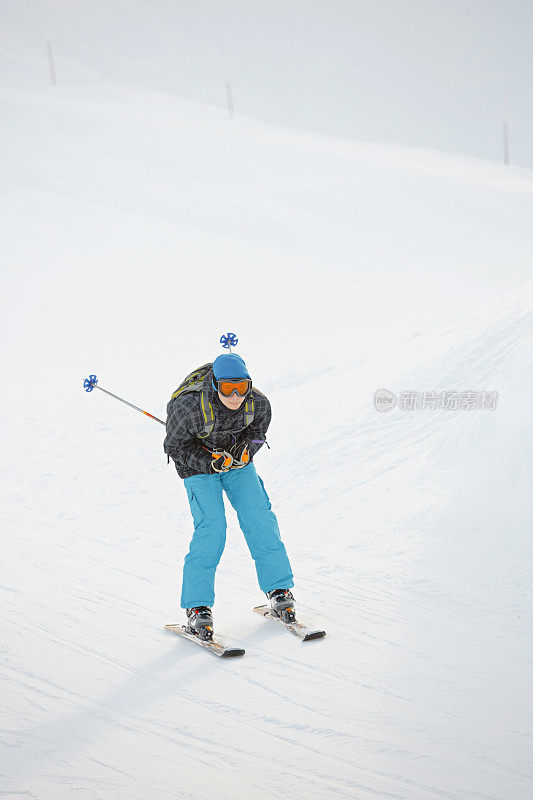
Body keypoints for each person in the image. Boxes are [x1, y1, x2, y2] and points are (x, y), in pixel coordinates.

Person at [164, 353, 295, 640]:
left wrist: (248, 450)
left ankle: (279, 590)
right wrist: (208, 462)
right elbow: (173, 447)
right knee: (212, 529)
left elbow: (259, 435)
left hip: (238, 465)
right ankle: (197, 608)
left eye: (241, 387)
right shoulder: (187, 408)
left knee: (259, 518)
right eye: (227, 389)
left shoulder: (258, 404)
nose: (235, 396)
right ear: (214, 386)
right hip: (198, 469)